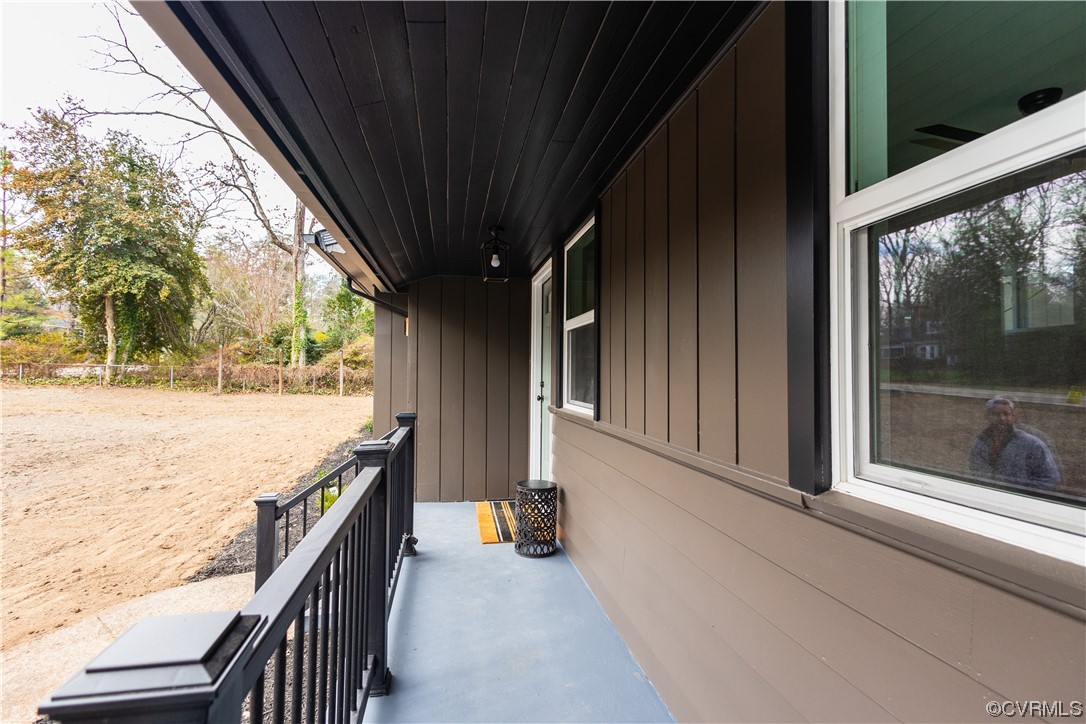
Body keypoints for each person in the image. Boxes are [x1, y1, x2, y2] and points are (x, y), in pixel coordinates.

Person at [968, 397, 1060, 491]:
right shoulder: (980, 443)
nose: (1002, 418)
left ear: (1012, 416)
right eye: (996, 414)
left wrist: (1023, 495)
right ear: (987, 416)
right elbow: (976, 474)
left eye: (1006, 414)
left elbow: (1050, 480)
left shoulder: (1032, 444)